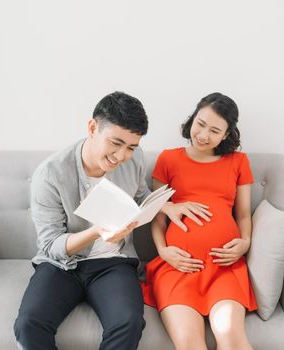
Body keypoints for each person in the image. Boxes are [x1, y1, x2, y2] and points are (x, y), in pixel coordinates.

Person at [13, 91, 209, 350]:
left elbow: (139, 196)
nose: (122, 155)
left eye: (131, 147)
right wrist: (96, 232)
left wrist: (166, 207)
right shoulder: (50, 174)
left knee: (128, 322)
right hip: (61, 266)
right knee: (28, 324)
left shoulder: (134, 159)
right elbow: (50, 245)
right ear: (92, 127)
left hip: (112, 264)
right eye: (115, 143)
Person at [140, 92, 258, 350]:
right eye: (200, 124)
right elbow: (158, 215)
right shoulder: (169, 159)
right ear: (192, 118)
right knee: (189, 343)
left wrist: (245, 243)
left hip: (223, 267)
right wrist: (163, 250)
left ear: (226, 135)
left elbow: (243, 214)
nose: (203, 134)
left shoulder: (238, 162)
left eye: (215, 130)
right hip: (178, 267)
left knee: (231, 338)